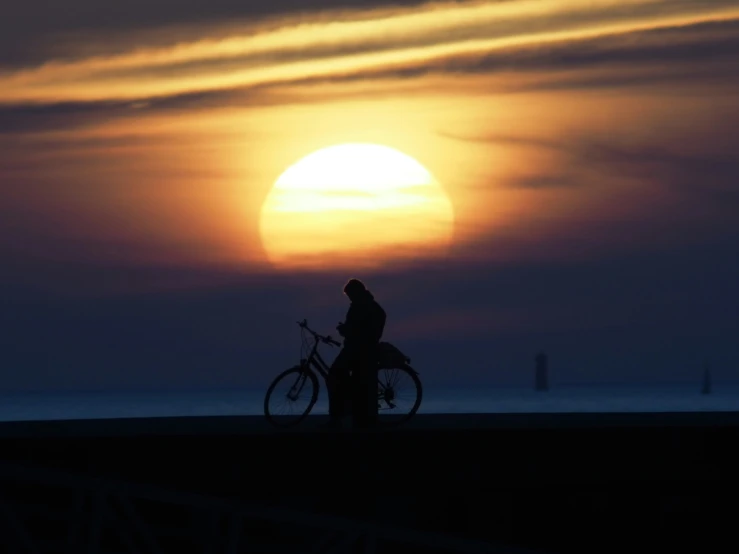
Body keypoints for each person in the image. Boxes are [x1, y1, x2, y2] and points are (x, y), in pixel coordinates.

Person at [326, 278, 386, 428]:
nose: (349, 298)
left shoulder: (364, 306)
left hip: (360, 350)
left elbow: (361, 330)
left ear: (356, 292)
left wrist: (346, 330)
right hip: (358, 349)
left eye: (350, 295)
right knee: (358, 383)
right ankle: (356, 416)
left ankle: (340, 417)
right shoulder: (364, 305)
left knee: (336, 376)